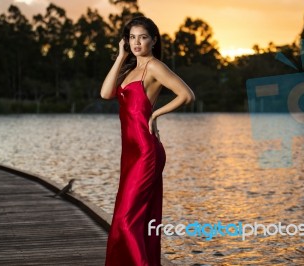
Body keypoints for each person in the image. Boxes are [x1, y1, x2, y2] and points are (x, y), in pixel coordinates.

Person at [100, 16, 195, 266]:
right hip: (129, 154)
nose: (136, 42)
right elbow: (106, 93)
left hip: (146, 152)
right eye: (132, 37)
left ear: (153, 40)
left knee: (126, 220)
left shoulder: (154, 66)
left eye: (142, 37)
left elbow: (187, 95)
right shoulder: (130, 69)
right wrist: (120, 56)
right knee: (131, 220)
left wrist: (156, 113)